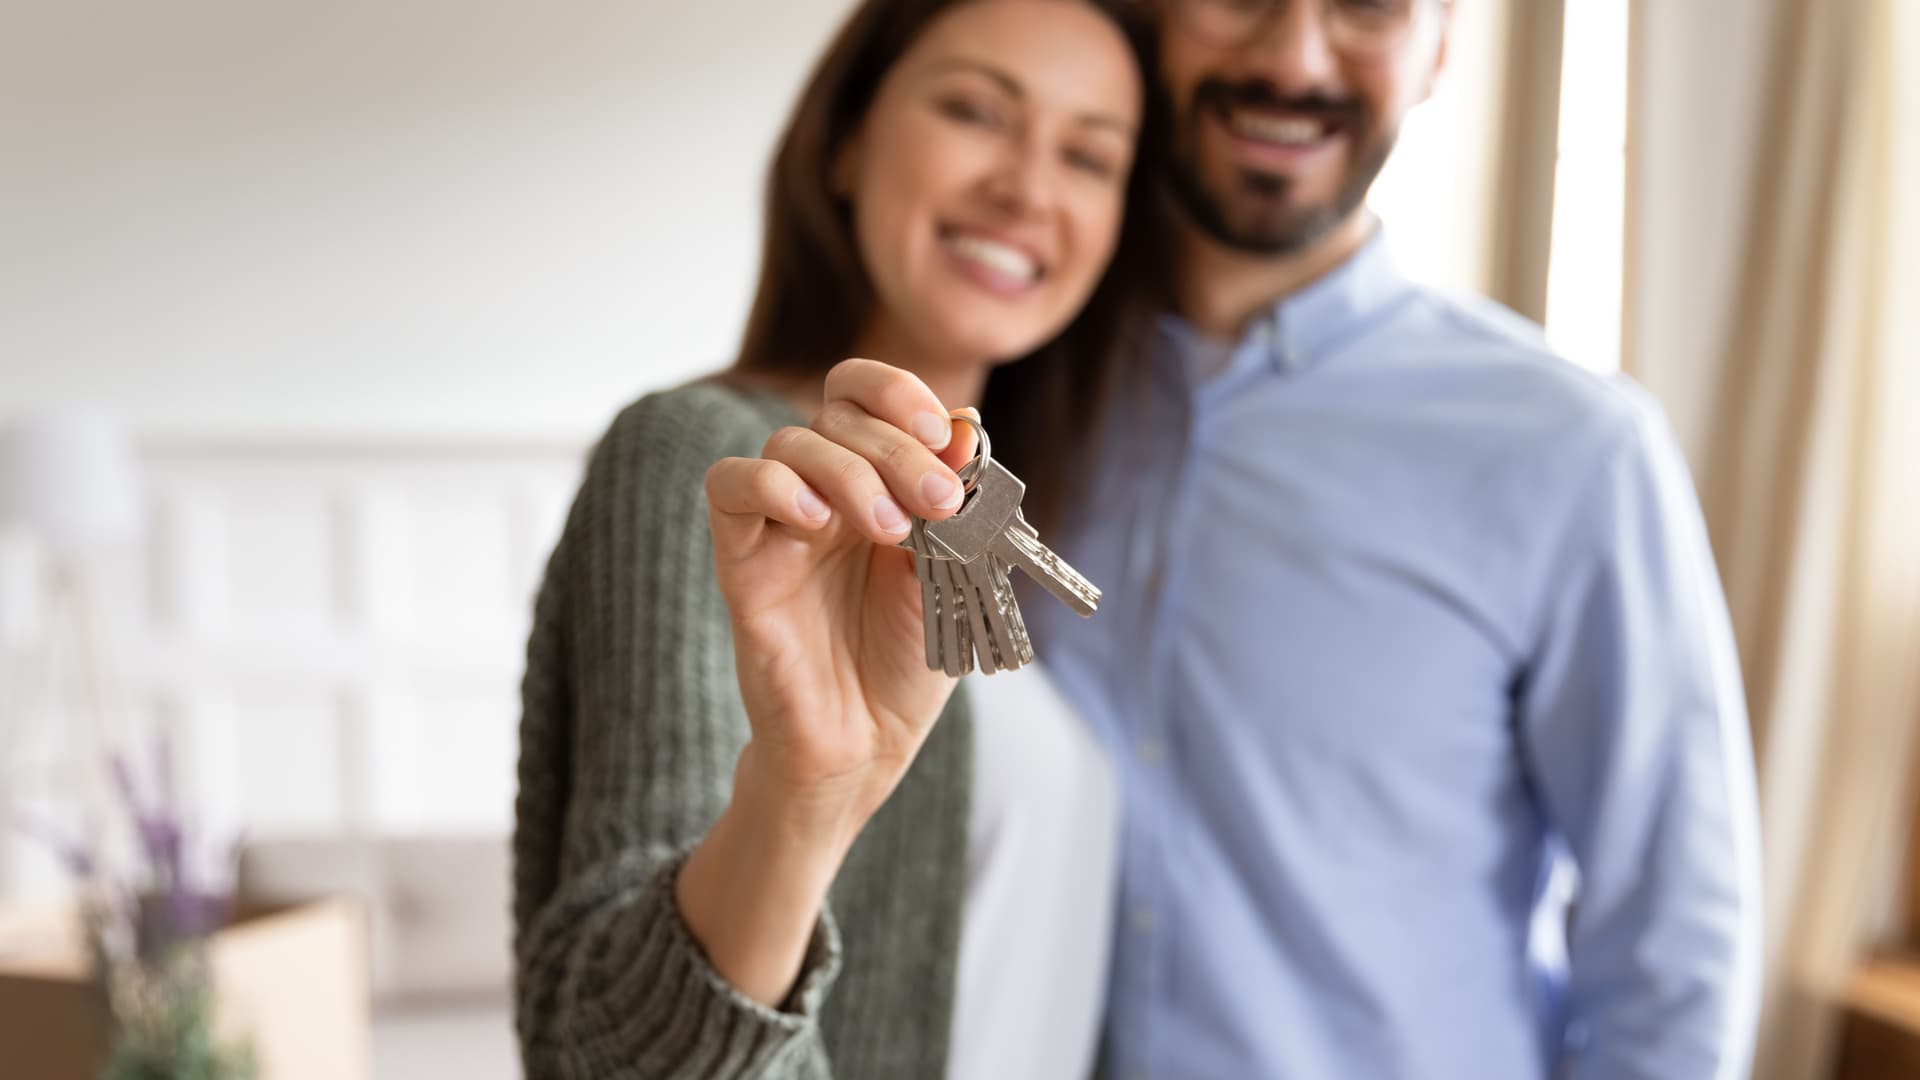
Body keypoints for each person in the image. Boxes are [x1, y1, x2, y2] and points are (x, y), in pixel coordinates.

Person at [1008, 0, 1764, 1077]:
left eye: (1366, 5)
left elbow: (1673, 951)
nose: (1294, 57)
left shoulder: (1575, 451)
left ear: (1443, 47)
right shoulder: (1001, 393)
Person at [510, 0, 1161, 1077]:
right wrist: (798, 796)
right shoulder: (714, 467)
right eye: (974, 110)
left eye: (1091, 158)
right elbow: (603, 1056)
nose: (1030, 187)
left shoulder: (1049, 520)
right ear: (848, 140)